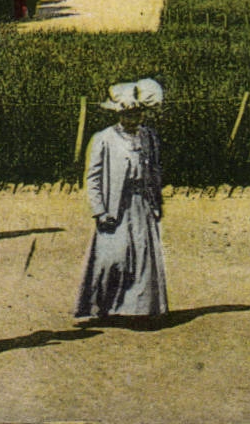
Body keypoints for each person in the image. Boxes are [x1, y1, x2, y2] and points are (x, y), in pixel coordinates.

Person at [75, 78, 168, 323]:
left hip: (141, 204)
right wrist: (99, 210)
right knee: (112, 257)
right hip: (114, 207)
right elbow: (93, 177)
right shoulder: (103, 138)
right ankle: (100, 307)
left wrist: (157, 202)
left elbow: (155, 171)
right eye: (127, 114)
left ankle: (137, 310)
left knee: (142, 256)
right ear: (118, 114)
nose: (132, 119)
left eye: (137, 114)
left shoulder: (149, 137)